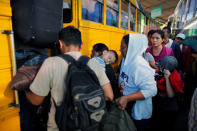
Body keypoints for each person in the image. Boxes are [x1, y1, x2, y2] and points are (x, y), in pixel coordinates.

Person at [25, 26, 114, 131]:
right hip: (89, 124)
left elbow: (36, 101)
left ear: (60, 43)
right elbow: (109, 96)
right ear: (81, 45)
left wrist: (26, 89)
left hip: (60, 126)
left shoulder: (50, 63)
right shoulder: (93, 63)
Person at [116, 34, 157, 131]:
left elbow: (152, 90)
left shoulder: (139, 65)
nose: (120, 50)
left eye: (123, 47)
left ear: (132, 48)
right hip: (127, 108)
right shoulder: (125, 60)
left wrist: (126, 98)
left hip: (138, 113)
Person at [153, 56, 184, 131]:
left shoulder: (174, 77)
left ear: (166, 69)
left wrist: (167, 78)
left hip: (170, 108)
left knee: (166, 126)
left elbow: (170, 95)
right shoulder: (161, 73)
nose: (158, 67)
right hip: (161, 103)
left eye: (161, 66)